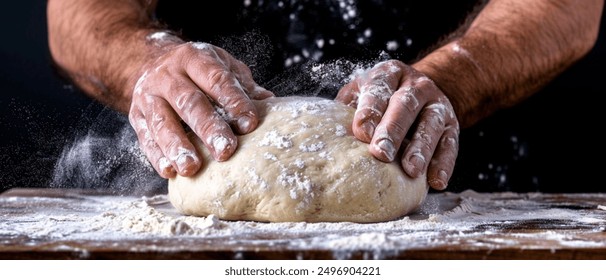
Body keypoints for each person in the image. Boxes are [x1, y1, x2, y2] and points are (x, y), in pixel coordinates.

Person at [46, 0, 603, 192]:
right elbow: (75, 14)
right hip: (204, 181)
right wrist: (148, 63)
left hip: (481, 202)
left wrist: (452, 80)